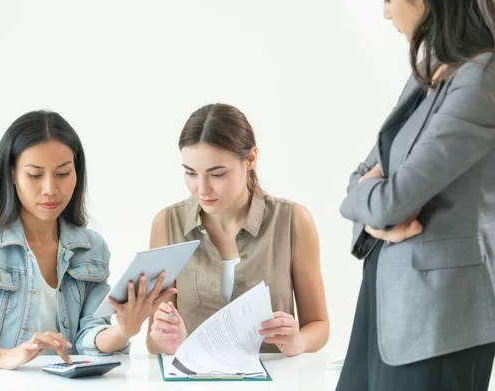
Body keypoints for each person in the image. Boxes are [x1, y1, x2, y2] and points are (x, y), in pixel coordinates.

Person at [0, 110, 174, 369]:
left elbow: (88, 340)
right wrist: (3, 357)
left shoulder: (91, 249)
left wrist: (123, 330)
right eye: (34, 174)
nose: (51, 189)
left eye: (63, 173)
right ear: (12, 174)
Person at [337, 1, 495, 390]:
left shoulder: (481, 78)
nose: (386, 13)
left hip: (439, 321)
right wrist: (375, 218)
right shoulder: (431, 74)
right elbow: (360, 178)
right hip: (385, 300)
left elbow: (392, 202)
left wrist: (374, 201)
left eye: (390, 0)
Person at [146, 103, 329, 356]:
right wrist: (167, 340)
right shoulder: (166, 224)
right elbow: (153, 341)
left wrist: (299, 341)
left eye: (217, 174)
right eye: (190, 173)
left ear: (250, 159)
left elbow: (319, 325)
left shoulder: (293, 220)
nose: (202, 188)